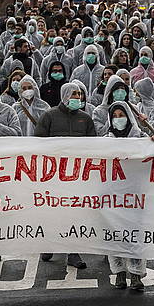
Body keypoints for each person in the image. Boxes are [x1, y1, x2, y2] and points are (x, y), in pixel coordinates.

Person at [35, 81, 96, 269]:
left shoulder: (85, 119)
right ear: (65, 95)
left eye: (79, 94)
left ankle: (73, 251)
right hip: (53, 175)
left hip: (77, 175)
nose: (77, 98)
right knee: (53, 211)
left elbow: (94, 145)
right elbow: (37, 143)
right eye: (74, 94)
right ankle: (49, 243)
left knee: (74, 212)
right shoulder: (49, 116)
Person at [105, 101, 154, 292]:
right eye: (115, 115)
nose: (119, 119)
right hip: (112, 197)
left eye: (122, 115)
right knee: (114, 236)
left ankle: (136, 275)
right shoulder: (104, 141)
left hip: (136, 196)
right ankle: (119, 273)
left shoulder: (141, 138)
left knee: (135, 236)